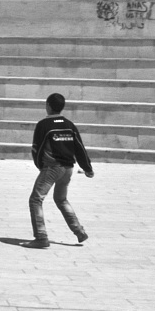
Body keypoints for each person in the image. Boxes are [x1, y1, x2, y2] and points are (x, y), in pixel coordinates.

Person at [25, 92, 94, 249]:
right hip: (68, 168)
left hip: (52, 168)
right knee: (61, 199)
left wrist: (41, 166)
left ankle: (41, 237)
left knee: (36, 199)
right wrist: (87, 168)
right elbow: (79, 148)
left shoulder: (43, 125)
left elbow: (36, 149)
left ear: (48, 106)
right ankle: (79, 231)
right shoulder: (69, 125)